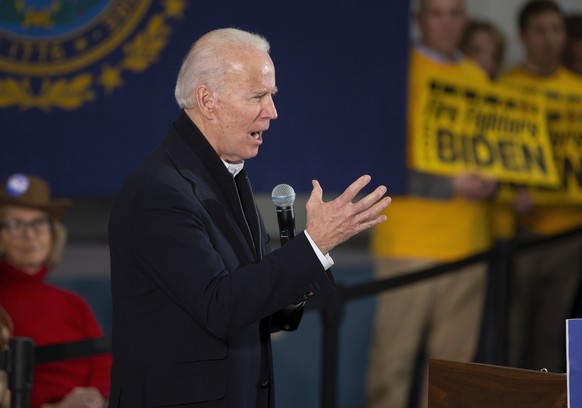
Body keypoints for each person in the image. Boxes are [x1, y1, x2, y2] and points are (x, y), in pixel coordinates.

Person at [107, 27, 391, 408]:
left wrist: (299, 273)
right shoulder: (160, 192)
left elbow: (254, 301)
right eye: (258, 96)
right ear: (207, 101)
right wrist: (315, 245)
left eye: (271, 95)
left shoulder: (224, 175)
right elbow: (220, 307)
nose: (272, 112)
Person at [366, 0, 497, 407]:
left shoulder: (476, 75)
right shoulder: (396, 72)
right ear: (418, 18)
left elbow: (495, 147)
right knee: (392, 367)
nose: (446, 23)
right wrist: (450, 185)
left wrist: (498, 176)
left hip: (470, 243)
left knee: (453, 374)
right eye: (436, 13)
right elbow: (376, 161)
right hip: (409, 245)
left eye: (455, 13)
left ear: (466, 19)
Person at [499, 0, 582, 372]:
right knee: (511, 334)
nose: (550, 40)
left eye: (556, 30)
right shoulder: (504, 87)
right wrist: (507, 193)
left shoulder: (578, 90)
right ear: (523, 37)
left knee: (555, 335)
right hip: (521, 231)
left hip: (570, 233)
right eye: (540, 30)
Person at [0, 173, 111, 408]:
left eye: (39, 223)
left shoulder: (73, 304)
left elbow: (104, 364)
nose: (29, 234)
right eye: (14, 224)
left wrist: (96, 397)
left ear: (53, 234)